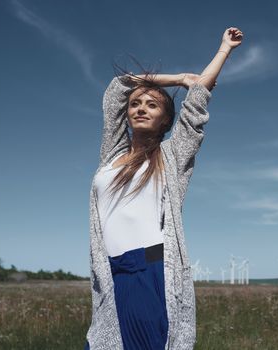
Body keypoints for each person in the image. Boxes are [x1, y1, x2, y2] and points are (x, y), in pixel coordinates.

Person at [84, 27, 243, 350]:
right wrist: (176, 78)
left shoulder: (171, 156)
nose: (141, 107)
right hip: (108, 271)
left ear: (165, 120)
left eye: (152, 105)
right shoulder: (111, 156)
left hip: (152, 268)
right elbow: (118, 87)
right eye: (136, 104)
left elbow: (198, 101)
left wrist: (224, 50)